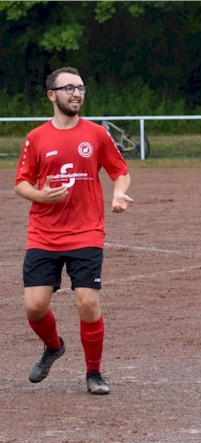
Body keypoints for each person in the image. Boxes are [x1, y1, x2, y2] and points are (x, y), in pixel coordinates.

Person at [14, 67, 133, 395]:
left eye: (80, 87)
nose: (76, 93)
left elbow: (120, 172)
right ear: (52, 95)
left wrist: (119, 192)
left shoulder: (96, 134)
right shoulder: (36, 138)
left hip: (86, 231)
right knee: (34, 307)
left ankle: (93, 373)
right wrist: (40, 195)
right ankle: (53, 347)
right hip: (43, 233)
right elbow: (21, 182)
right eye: (68, 88)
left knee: (86, 302)